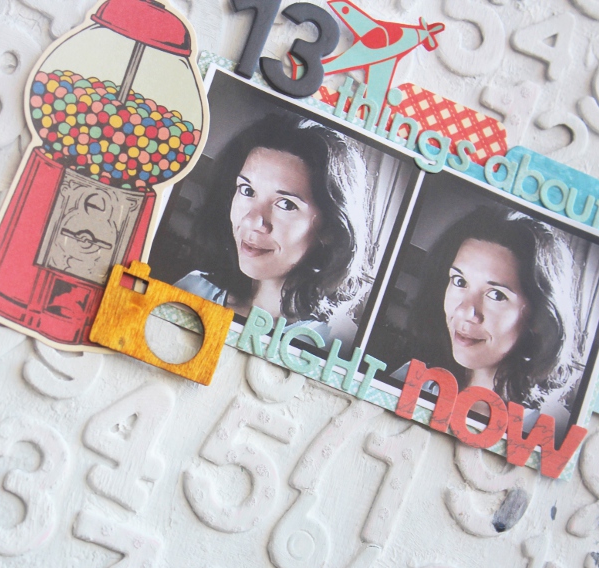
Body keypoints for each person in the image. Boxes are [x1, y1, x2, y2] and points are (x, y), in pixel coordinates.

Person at [175, 115, 370, 340]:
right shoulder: (192, 290)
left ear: (330, 230)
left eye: (286, 204)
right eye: (247, 191)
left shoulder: (336, 340)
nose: (252, 220)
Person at [404, 206, 578, 412]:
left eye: (496, 295)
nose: (464, 312)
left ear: (538, 318)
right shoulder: (411, 378)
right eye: (459, 281)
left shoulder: (547, 423)